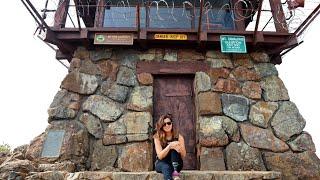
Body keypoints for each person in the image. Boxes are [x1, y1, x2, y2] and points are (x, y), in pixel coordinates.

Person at [153, 114, 187, 180]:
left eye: (169, 123)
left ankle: (175, 173)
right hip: (162, 163)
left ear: (172, 124)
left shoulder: (179, 137)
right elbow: (160, 156)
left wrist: (179, 147)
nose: (167, 125)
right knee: (166, 167)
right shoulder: (157, 137)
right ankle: (174, 177)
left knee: (174, 148)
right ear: (161, 126)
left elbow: (183, 155)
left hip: (176, 164)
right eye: (164, 124)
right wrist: (169, 146)